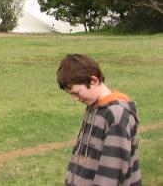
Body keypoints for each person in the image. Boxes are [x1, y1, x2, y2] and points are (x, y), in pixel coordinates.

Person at [57, 54, 141, 186]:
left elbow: (111, 171)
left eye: (76, 93)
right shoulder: (93, 107)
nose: (75, 98)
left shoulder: (117, 114)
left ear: (93, 81)